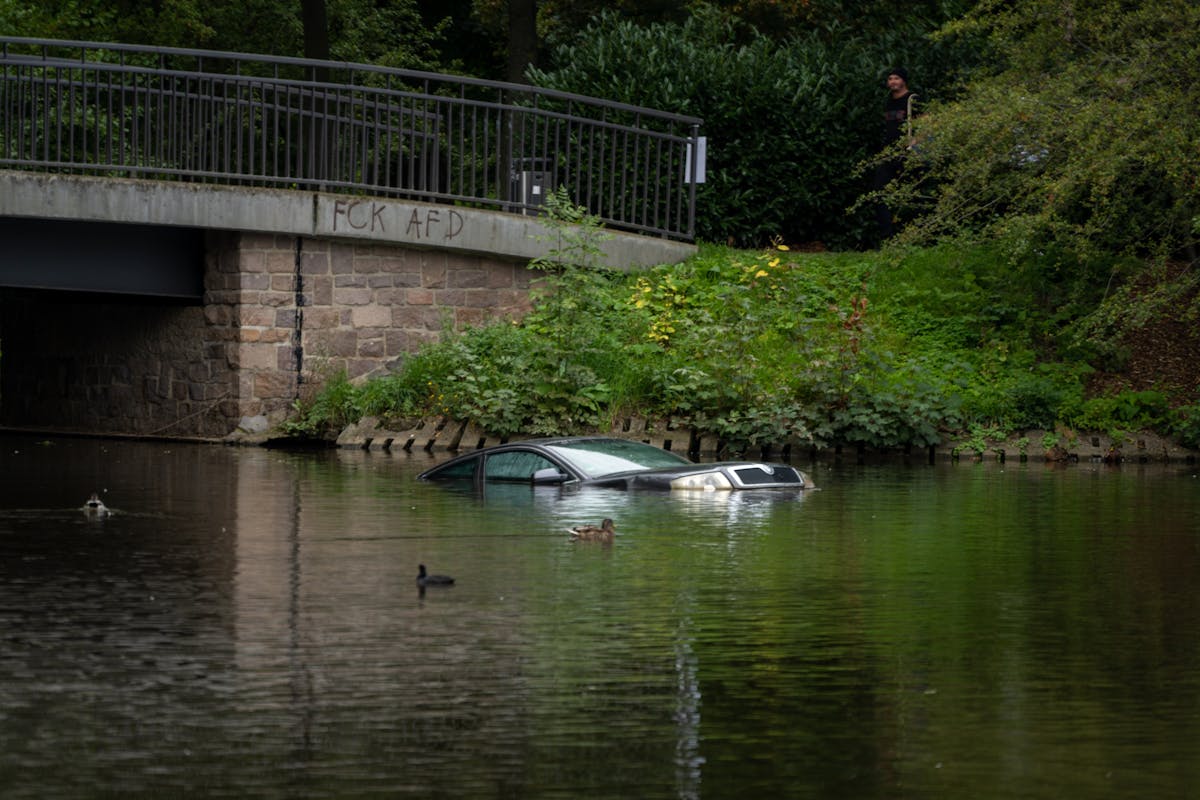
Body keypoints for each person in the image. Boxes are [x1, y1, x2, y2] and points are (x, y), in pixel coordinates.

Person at [874, 67, 918, 240]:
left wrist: (915, 141)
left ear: (903, 81)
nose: (892, 82)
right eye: (890, 78)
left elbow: (928, 122)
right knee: (879, 192)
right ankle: (888, 237)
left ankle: (913, 235)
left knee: (912, 193)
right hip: (889, 152)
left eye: (896, 78)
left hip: (908, 153)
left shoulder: (912, 99)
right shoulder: (888, 101)